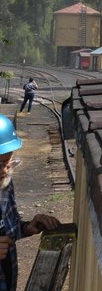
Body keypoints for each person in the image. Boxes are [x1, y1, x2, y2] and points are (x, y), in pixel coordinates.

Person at [0, 115, 61, 290]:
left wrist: (27, 227)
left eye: (8, 162)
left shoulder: (5, 183)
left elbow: (6, 229)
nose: (4, 170)